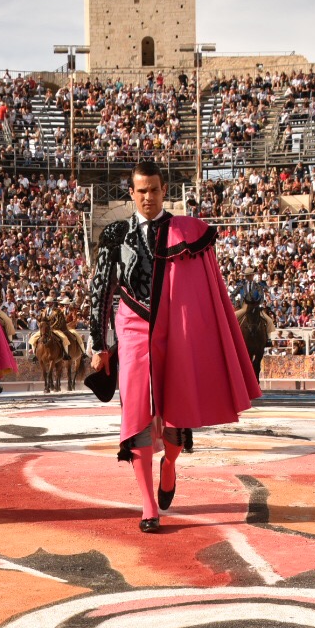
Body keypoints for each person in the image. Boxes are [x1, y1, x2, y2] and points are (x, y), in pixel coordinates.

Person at [88, 160, 261, 533]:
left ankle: (170, 464)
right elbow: (101, 290)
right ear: (131, 193)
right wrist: (99, 344)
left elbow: (204, 290)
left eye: (153, 189)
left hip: (175, 330)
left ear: (164, 191)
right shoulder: (117, 234)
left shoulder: (187, 232)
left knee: (175, 418)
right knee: (136, 415)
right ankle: (149, 507)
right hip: (132, 330)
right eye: (140, 191)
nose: (147, 197)